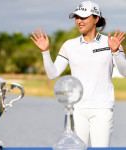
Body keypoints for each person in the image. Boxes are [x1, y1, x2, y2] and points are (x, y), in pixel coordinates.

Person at [31, 0, 126, 147]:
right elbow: (52, 73)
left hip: (102, 108)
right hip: (77, 109)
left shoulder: (111, 42)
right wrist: (45, 52)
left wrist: (115, 52)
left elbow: (124, 71)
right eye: (76, 17)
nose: (79, 21)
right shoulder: (69, 45)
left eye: (83, 17)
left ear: (96, 19)